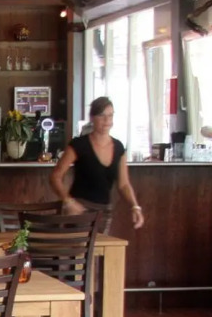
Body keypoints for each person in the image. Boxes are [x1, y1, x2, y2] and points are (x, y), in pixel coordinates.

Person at [49, 97, 145, 230]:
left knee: (100, 250)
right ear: (92, 117)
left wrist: (135, 206)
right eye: (102, 115)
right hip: (79, 209)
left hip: (104, 211)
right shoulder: (79, 144)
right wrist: (68, 201)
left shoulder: (118, 147)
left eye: (110, 115)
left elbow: (124, 184)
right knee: (78, 250)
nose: (107, 121)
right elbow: (55, 177)